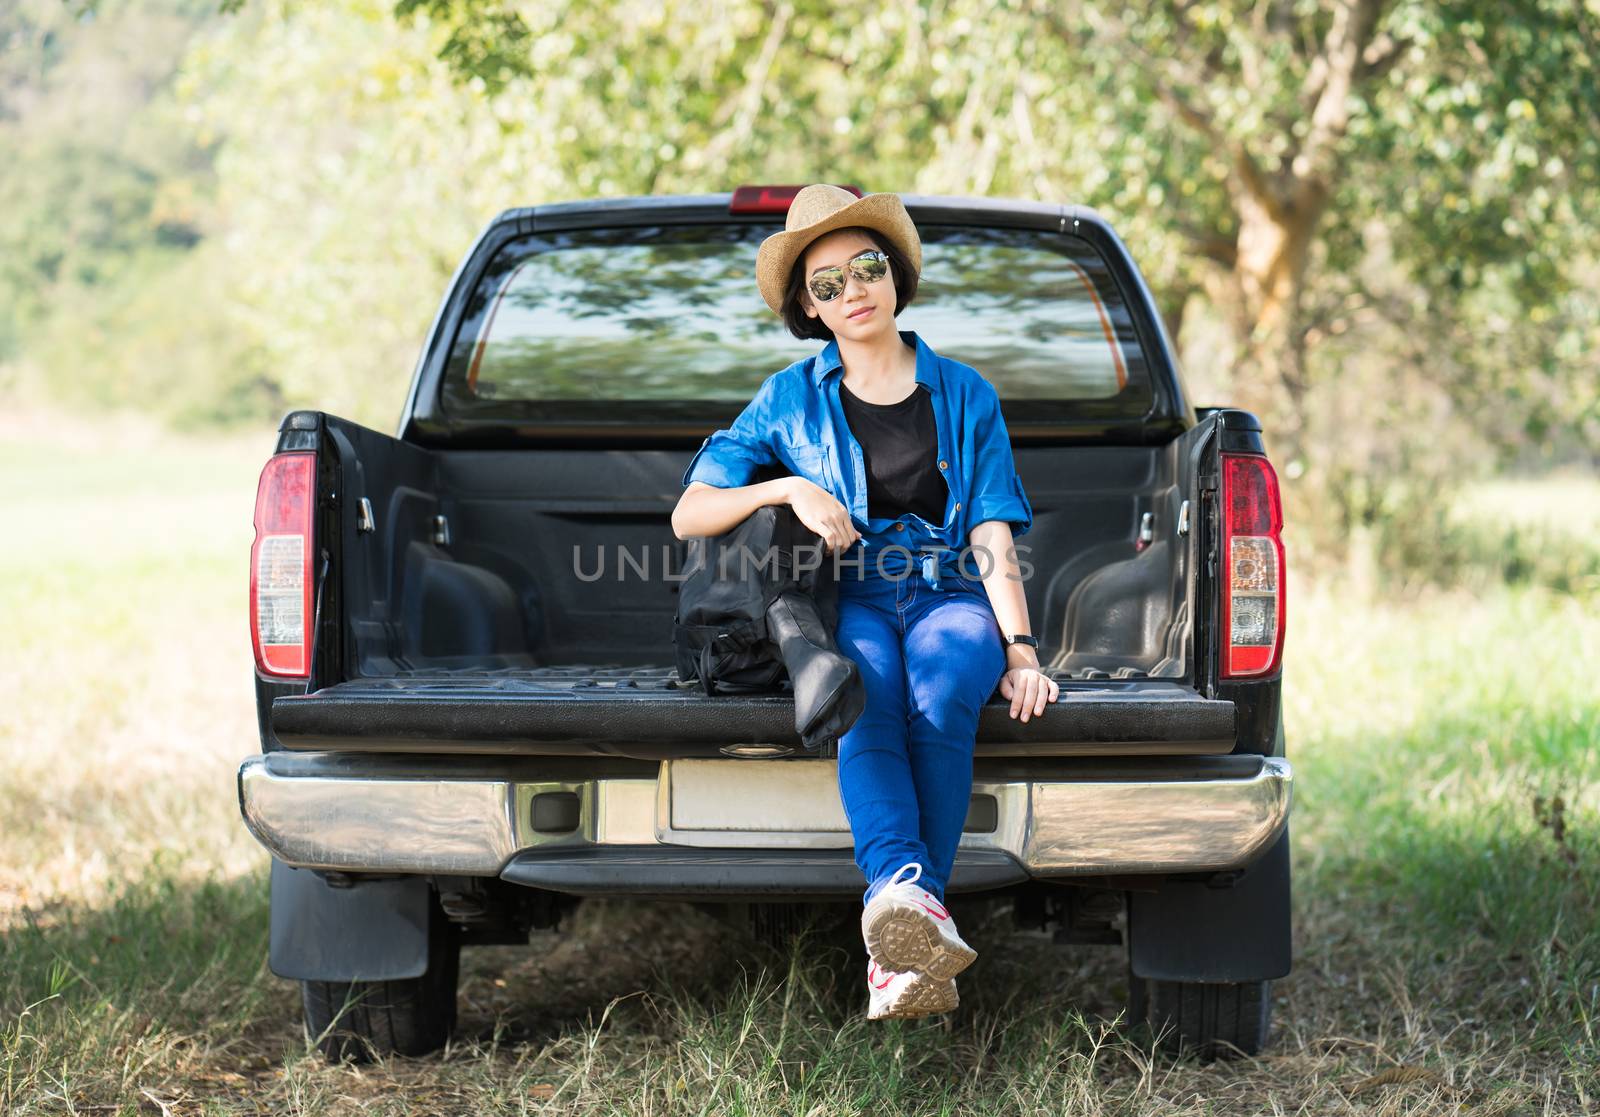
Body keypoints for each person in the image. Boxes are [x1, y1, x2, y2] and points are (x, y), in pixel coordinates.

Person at [671, 183, 1058, 1020]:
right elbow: (690, 509)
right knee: (867, 693)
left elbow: (990, 529)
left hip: (954, 588)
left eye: (866, 268)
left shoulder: (965, 393)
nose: (853, 292)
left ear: (895, 276)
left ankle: (900, 927)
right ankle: (912, 919)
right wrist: (787, 487)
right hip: (853, 595)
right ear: (808, 308)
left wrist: (1020, 648)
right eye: (827, 284)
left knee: (948, 683)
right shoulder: (789, 398)